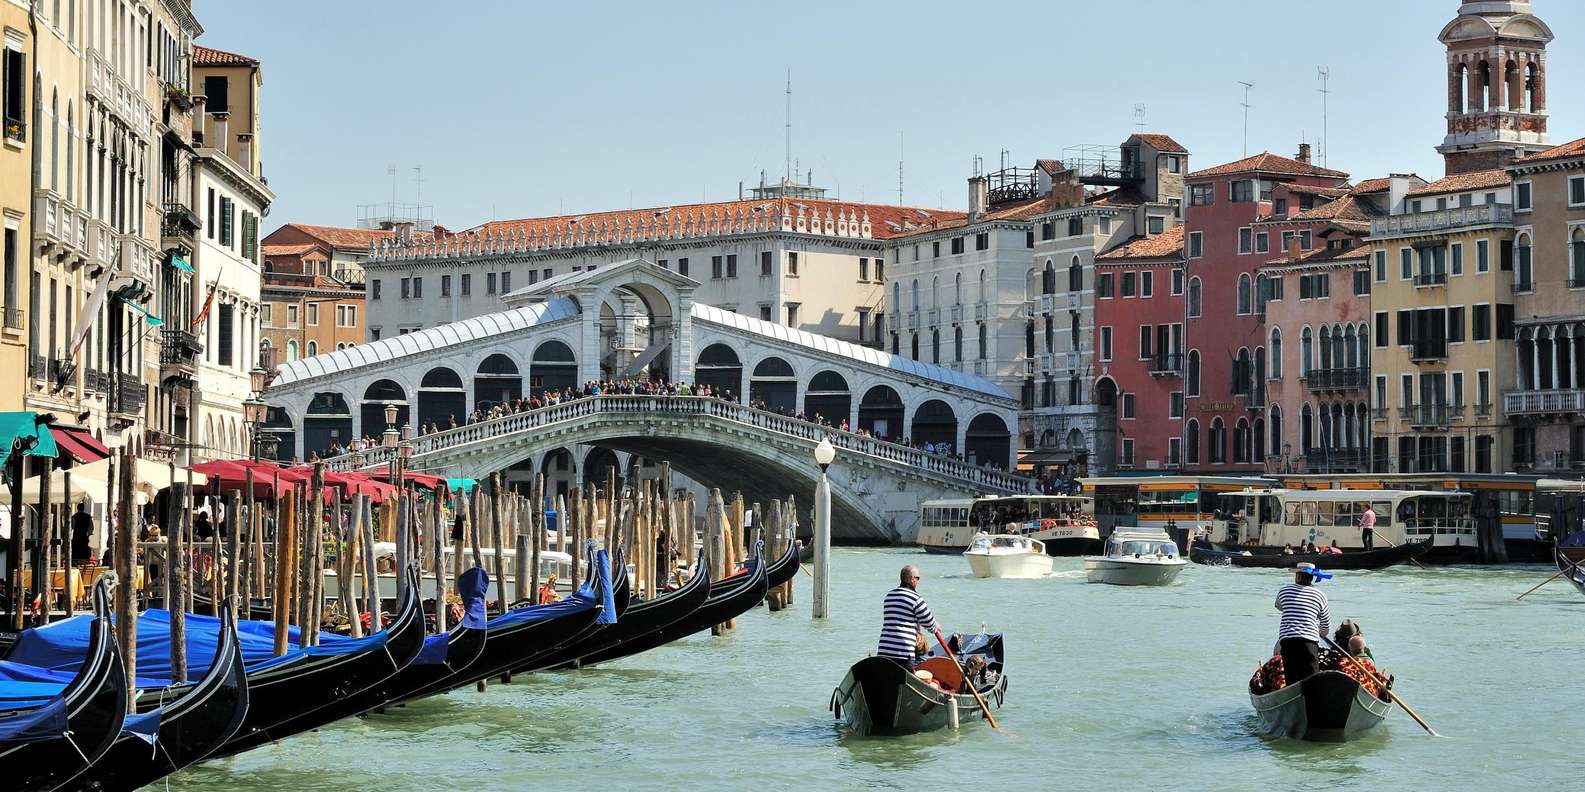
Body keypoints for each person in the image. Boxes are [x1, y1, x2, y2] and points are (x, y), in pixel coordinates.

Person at [1274, 562, 1332, 685]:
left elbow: (1279, 606)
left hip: (1288, 641)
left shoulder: (1284, 590)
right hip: (1309, 642)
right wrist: (1320, 632)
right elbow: (1326, 626)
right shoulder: (1320, 595)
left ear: (1297, 576)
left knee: (1292, 679)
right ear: (1311, 578)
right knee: (1312, 679)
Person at [877, 564, 941, 664]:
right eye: (918, 578)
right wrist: (935, 626)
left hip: (884, 650)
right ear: (912, 579)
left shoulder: (889, 596)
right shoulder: (915, 598)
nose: (918, 581)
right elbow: (928, 621)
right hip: (903, 653)